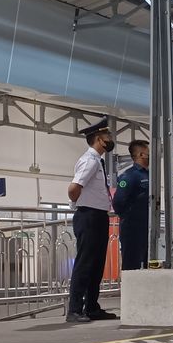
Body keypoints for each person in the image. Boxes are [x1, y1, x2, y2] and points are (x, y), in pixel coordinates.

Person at [66, 119, 117, 323]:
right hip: (88, 215)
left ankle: (92, 307)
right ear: (99, 139)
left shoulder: (98, 161)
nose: (111, 139)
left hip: (97, 216)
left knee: (96, 264)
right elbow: (73, 189)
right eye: (108, 136)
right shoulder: (90, 160)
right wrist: (80, 204)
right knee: (85, 263)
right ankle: (75, 309)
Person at [111, 140, 149, 271]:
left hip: (146, 228)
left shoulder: (148, 175)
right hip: (133, 228)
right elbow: (118, 202)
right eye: (148, 152)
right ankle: (129, 291)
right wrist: (130, 217)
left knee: (148, 264)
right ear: (141, 154)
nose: (151, 155)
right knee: (131, 264)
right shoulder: (130, 176)